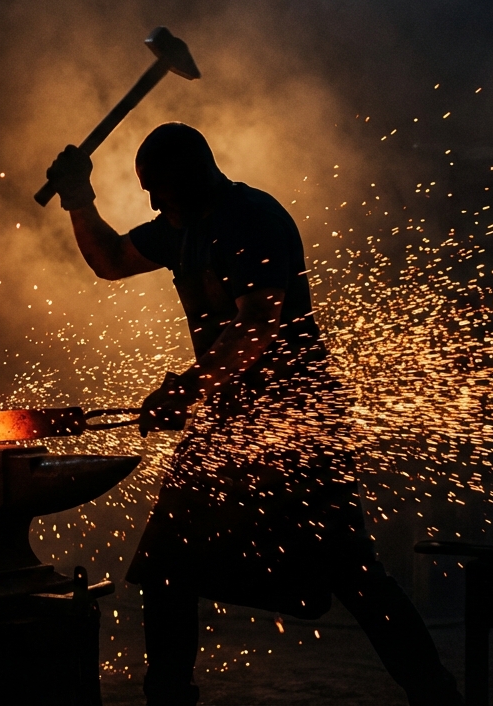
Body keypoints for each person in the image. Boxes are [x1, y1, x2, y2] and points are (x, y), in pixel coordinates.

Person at [45, 123, 463, 706]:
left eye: (157, 188)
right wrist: (77, 198)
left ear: (190, 175)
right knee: (167, 568)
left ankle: (437, 694)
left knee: (352, 572)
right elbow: (112, 260)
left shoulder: (252, 218)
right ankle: (167, 697)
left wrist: (187, 388)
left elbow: (258, 323)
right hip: (226, 420)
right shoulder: (178, 227)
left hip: (298, 419)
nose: (152, 202)